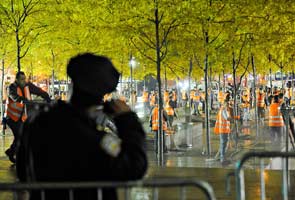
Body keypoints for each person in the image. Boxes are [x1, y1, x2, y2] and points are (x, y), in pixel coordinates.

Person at [16, 53, 147, 200]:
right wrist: (127, 119)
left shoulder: (37, 121)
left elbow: (22, 170)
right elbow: (134, 165)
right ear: (101, 96)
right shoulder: (94, 138)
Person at [5, 71, 50, 163]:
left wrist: (46, 96)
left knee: (21, 136)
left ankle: (11, 151)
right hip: (12, 118)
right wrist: (23, 100)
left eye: (24, 79)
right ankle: (17, 155)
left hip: (21, 118)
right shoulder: (12, 87)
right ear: (16, 80)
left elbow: (38, 90)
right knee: (20, 136)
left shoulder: (27, 86)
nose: (24, 81)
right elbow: (14, 96)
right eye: (21, 79)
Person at [214, 100, 231, 164]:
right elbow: (227, 118)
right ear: (224, 105)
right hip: (223, 130)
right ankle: (222, 158)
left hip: (225, 130)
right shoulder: (223, 110)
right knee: (223, 144)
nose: (228, 106)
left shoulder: (224, 110)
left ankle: (222, 157)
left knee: (224, 144)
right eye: (227, 105)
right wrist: (235, 118)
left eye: (228, 105)